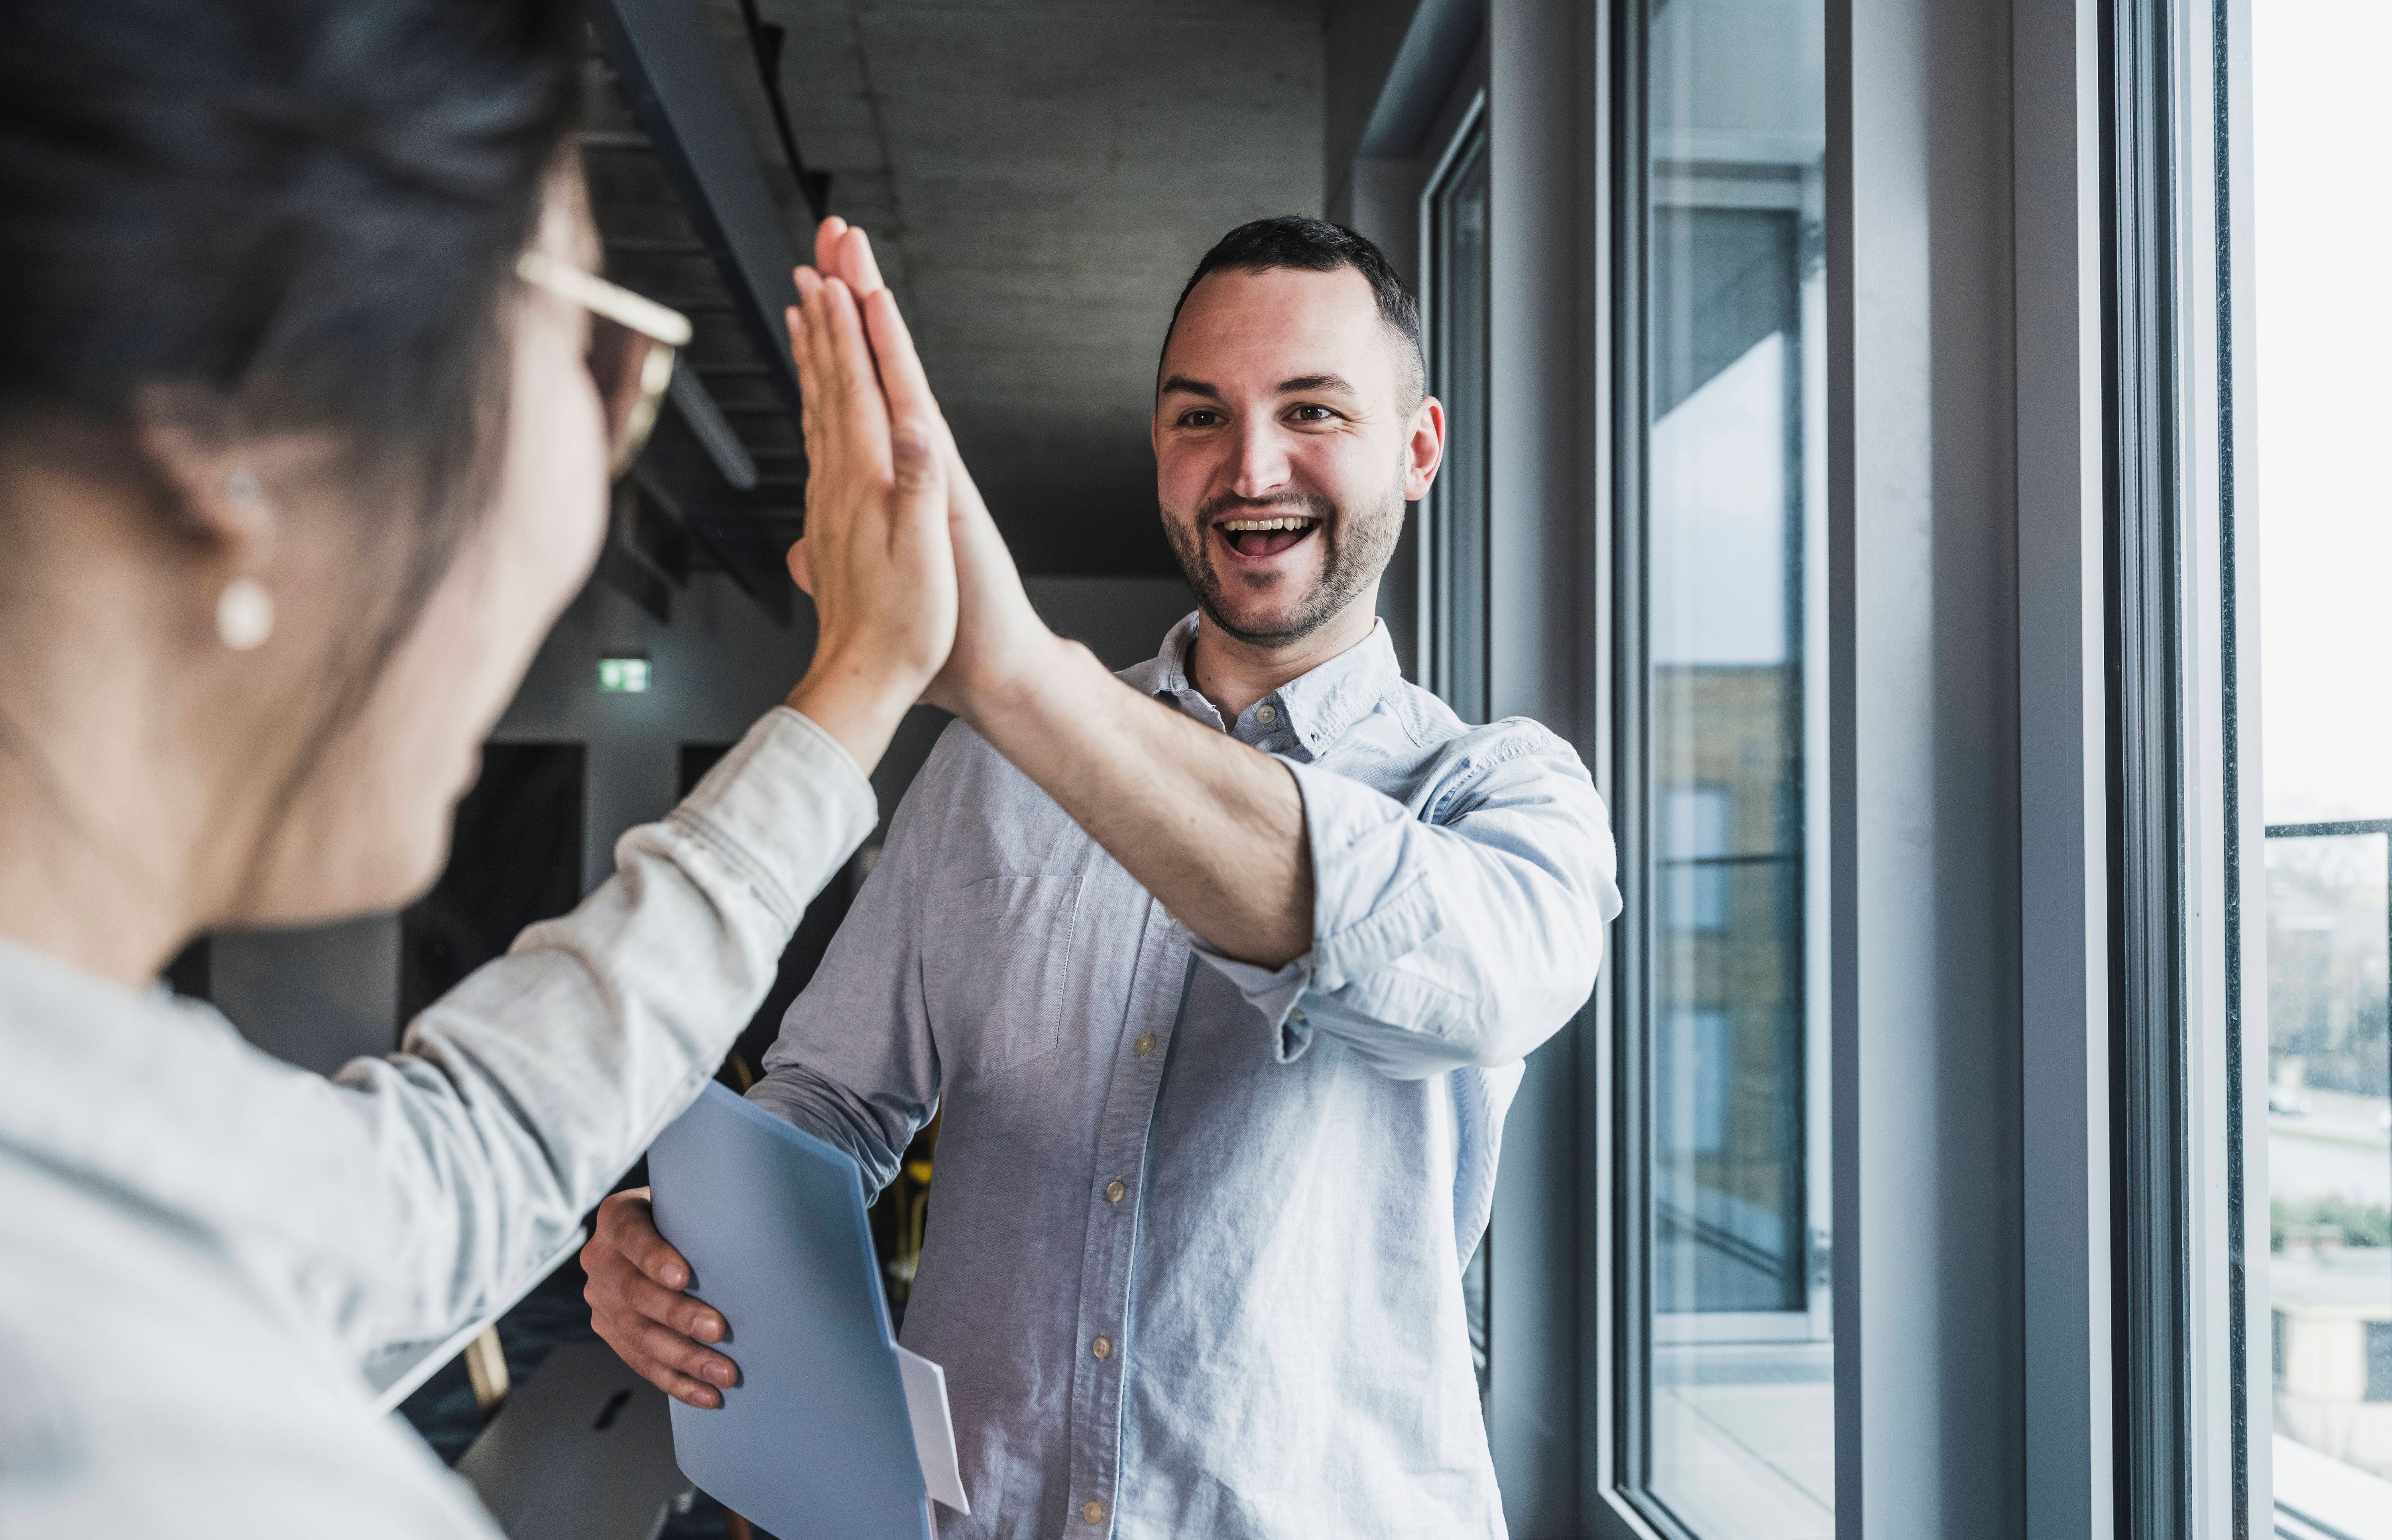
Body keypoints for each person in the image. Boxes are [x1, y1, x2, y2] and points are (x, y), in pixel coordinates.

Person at [0, 2, 962, 1534]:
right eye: (587, 352)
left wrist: (853, 693)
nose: (592, 489)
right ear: (248, 426)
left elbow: (445, 1171)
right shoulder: (161, 1455)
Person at [585, 214, 1623, 1538]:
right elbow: (832, 1107)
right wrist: (679, 1243)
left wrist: (1017, 676)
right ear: (1159, 454)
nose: (1253, 468)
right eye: (1202, 417)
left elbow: (1451, 981)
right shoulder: (986, 769)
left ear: (1417, 448)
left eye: (1313, 410)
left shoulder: (1504, 794)